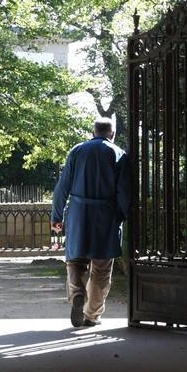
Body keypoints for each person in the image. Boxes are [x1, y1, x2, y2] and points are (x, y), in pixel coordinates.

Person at [51, 116, 130, 327]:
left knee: (75, 261)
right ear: (112, 134)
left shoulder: (77, 151)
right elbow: (124, 193)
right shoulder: (119, 154)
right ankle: (92, 315)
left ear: (93, 132)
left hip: (78, 214)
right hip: (106, 216)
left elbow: (62, 187)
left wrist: (56, 216)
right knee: (102, 269)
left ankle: (77, 293)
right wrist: (120, 216)